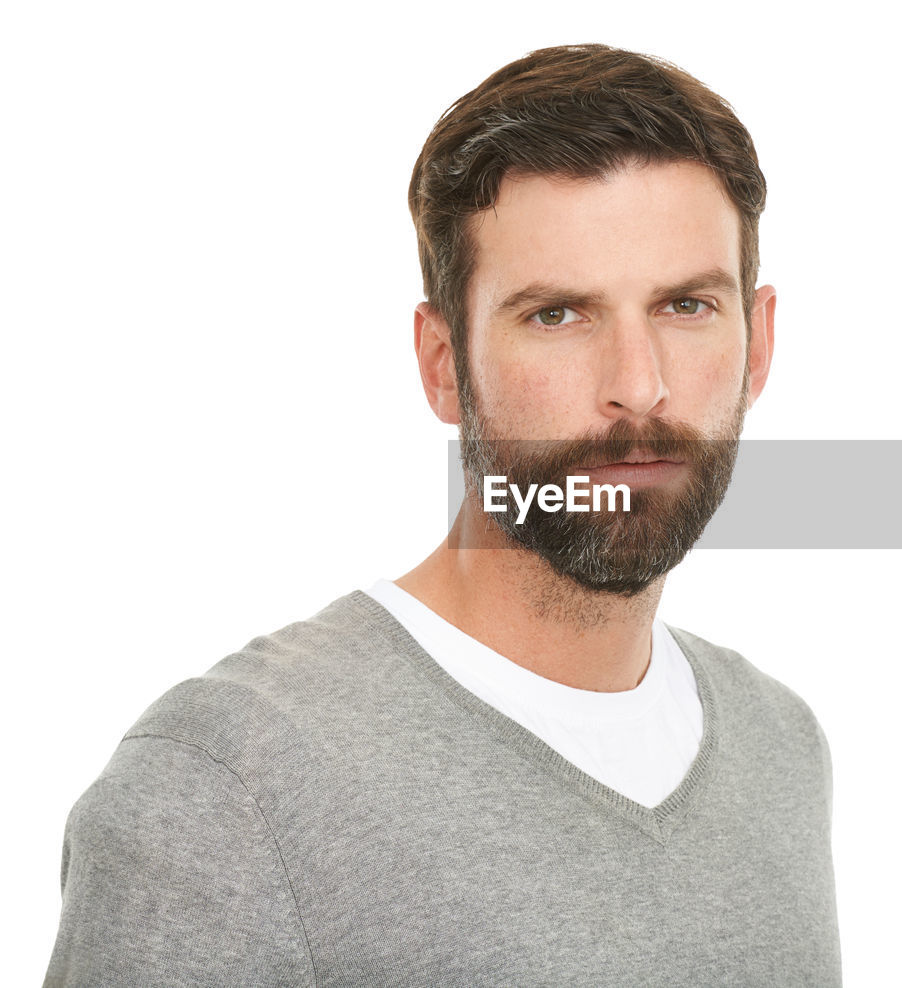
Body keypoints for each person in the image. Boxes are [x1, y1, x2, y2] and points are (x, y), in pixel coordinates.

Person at [44, 44, 840, 986]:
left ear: (759, 345)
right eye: (557, 315)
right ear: (441, 364)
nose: (639, 388)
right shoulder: (223, 791)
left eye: (685, 305)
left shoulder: (781, 748)